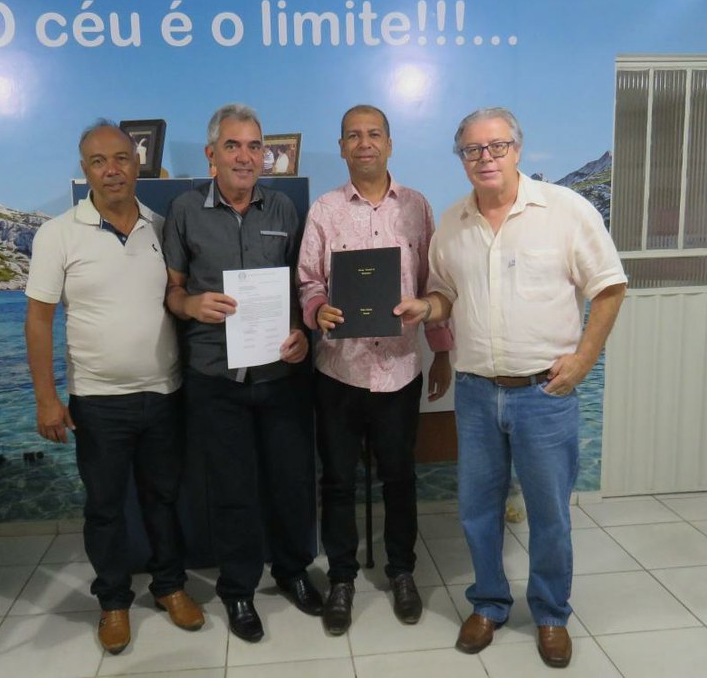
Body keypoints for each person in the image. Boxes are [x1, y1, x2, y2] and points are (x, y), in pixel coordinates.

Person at [395, 107, 627, 668]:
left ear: (517, 150)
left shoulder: (564, 211)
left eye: (496, 146)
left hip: (544, 394)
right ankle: (489, 603)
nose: (485, 158)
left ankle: (550, 614)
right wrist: (426, 308)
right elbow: (446, 293)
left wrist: (584, 359)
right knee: (477, 509)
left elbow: (609, 286)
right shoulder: (453, 224)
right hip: (476, 393)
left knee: (549, 514)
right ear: (462, 159)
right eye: (473, 150)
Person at [24, 120, 204, 655]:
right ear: (85, 170)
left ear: (137, 164)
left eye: (121, 158)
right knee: (104, 507)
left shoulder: (161, 227)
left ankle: (169, 587)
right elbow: (38, 321)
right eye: (99, 161)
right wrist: (46, 398)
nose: (112, 170)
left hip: (164, 392)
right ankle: (113, 601)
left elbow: (178, 299)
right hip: (98, 401)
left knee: (162, 499)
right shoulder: (58, 234)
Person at [162, 103, 321, 643]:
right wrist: (190, 305)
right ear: (212, 154)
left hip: (280, 373)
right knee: (231, 491)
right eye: (233, 146)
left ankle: (293, 571)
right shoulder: (185, 210)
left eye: (255, 146)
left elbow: (302, 288)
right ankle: (238, 590)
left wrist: (302, 332)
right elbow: (172, 291)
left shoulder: (284, 209)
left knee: (290, 482)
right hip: (214, 376)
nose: (245, 156)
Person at [297, 104, 453, 635]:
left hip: (399, 369)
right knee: (338, 480)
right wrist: (317, 309)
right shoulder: (324, 210)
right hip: (338, 371)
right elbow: (309, 280)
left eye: (374, 134)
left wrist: (442, 350)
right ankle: (341, 578)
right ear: (341, 147)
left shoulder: (417, 206)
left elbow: (433, 283)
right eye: (353, 135)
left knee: (400, 477)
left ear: (389, 143)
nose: (364, 143)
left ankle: (402, 571)